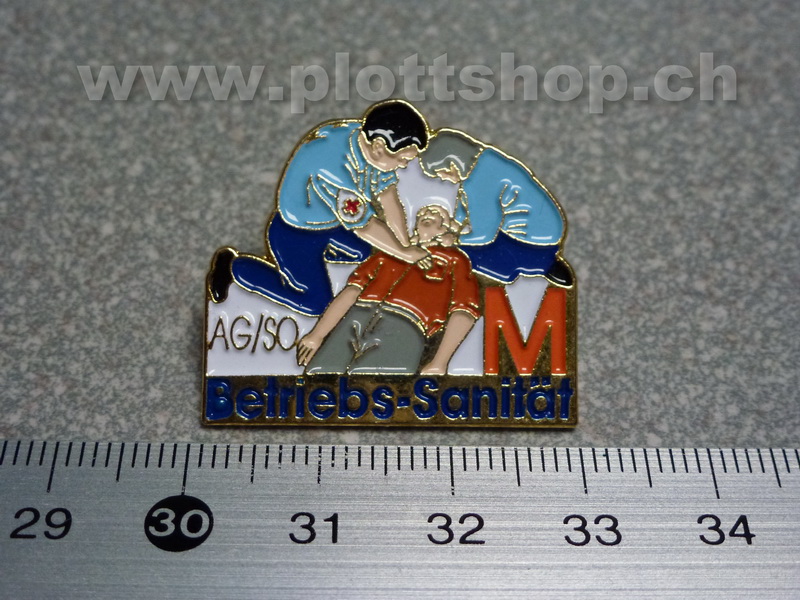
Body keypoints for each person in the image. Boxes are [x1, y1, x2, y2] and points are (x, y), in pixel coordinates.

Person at [208, 100, 433, 316]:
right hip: (295, 233)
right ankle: (235, 268)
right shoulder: (333, 169)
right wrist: (404, 253)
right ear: (378, 147)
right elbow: (365, 227)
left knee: (365, 252)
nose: (403, 166)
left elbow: (389, 199)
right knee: (316, 303)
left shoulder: (368, 142)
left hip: (331, 223)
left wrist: (405, 245)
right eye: (403, 159)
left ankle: (323, 256)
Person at [297, 205, 480, 375]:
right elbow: (352, 291)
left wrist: (439, 362)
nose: (427, 213)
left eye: (437, 214)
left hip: (405, 327)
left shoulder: (455, 260)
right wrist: (317, 334)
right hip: (356, 317)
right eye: (422, 214)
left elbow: (464, 312)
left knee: (375, 387)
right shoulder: (389, 253)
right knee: (319, 375)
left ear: (445, 229)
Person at [419, 129, 573, 287]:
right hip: (542, 236)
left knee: (458, 256)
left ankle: (539, 266)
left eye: (442, 172)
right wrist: (455, 224)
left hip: (530, 246)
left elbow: (484, 236)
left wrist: (455, 240)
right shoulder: (486, 161)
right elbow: (466, 208)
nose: (443, 178)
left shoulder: (479, 183)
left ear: (454, 164)